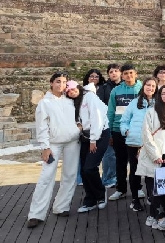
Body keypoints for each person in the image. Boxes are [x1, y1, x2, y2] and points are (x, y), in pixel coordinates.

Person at [27, 72, 80, 228]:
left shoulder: (70, 100)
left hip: (72, 141)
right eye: (58, 81)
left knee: (70, 175)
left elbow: (79, 115)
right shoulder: (45, 103)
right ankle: (36, 214)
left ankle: (61, 207)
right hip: (53, 144)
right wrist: (45, 147)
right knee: (46, 177)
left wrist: (78, 127)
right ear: (51, 83)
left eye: (64, 82)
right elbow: (41, 126)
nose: (61, 85)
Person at [136, 85, 165, 232]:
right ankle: (158, 217)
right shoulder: (151, 112)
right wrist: (155, 155)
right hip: (153, 157)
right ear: (159, 96)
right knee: (153, 190)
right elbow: (146, 135)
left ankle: (157, 216)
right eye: (164, 93)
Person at [65, 81, 110, 213]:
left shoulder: (89, 96)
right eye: (68, 91)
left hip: (99, 134)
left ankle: (100, 194)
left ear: (77, 87)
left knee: (90, 168)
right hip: (84, 136)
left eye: (72, 89)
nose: (71, 92)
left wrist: (93, 140)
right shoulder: (73, 101)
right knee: (84, 170)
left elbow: (97, 118)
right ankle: (90, 199)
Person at [120, 76, 157, 212]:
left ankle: (150, 196)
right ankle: (135, 199)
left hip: (151, 143)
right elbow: (124, 120)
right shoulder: (134, 102)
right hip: (134, 142)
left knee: (150, 171)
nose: (150, 88)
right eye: (148, 85)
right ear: (143, 86)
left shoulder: (158, 103)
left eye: (153, 86)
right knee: (135, 171)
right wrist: (126, 131)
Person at [107, 64, 143, 201]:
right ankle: (121, 189)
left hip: (136, 132)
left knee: (136, 162)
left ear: (136, 74)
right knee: (120, 161)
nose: (129, 76)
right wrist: (110, 132)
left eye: (131, 73)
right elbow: (111, 111)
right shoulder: (116, 90)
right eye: (126, 73)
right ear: (122, 76)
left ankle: (137, 188)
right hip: (118, 130)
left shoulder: (142, 88)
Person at [97, 63, 121, 189]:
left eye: (116, 71)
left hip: (123, 123)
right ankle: (108, 178)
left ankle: (120, 177)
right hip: (108, 123)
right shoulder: (104, 88)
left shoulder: (126, 87)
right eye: (111, 72)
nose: (113, 73)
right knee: (109, 153)